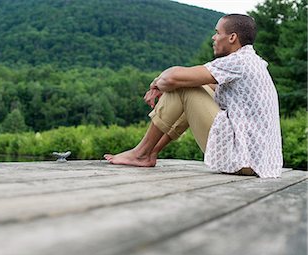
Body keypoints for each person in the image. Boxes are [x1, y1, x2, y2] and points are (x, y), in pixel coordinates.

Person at [104, 14, 283, 178]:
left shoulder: (239, 61)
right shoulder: (253, 62)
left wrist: (156, 84)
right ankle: (150, 152)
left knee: (184, 88)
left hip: (243, 159)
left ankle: (141, 153)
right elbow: (203, 85)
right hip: (257, 161)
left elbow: (172, 78)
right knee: (195, 86)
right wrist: (166, 84)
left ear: (232, 37)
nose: (213, 38)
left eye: (217, 32)